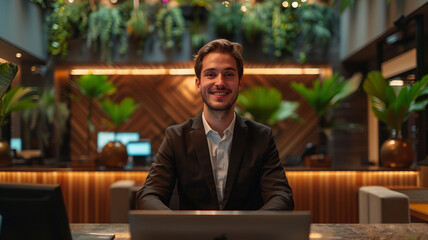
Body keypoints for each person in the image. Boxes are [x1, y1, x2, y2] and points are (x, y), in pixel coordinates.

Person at [136, 39, 294, 210]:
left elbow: (281, 195)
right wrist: (178, 225)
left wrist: (252, 227)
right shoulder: (176, 138)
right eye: (211, 74)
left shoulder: (262, 137)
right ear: (198, 83)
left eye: (228, 74)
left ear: (240, 82)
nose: (220, 82)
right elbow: (148, 195)